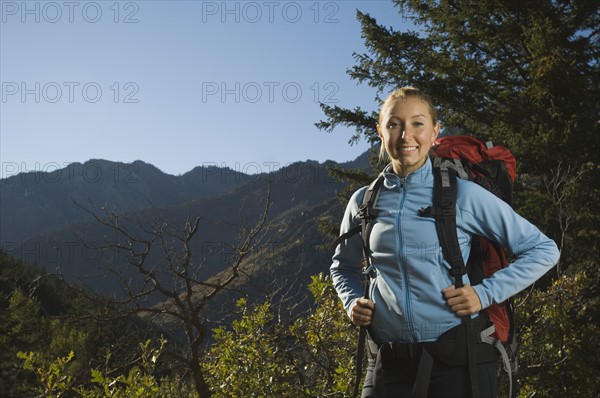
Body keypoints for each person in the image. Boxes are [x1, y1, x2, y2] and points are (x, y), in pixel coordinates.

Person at [330, 87, 560, 398]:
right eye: (395, 124)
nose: (406, 136)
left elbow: (544, 250)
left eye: (418, 124)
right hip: (389, 362)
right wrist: (351, 301)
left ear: (435, 131)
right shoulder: (364, 201)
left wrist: (484, 294)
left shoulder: (463, 195)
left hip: (459, 360)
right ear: (381, 132)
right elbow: (343, 266)